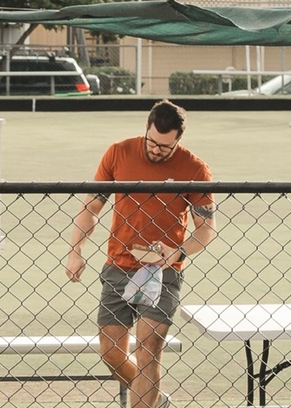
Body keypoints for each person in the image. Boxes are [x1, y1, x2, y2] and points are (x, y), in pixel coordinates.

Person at [64, 99, 217, 408]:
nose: (156, 150)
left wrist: (178, 251)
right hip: (118, 267)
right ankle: (155, 400)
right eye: (152, 142)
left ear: (178, 140)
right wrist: (75, 250)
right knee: (111, 353)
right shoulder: (119, 152)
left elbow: (206, 229)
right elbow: (92, 206)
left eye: (165, 147)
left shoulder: (194, 168)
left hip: (164, 272)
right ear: (146, 128)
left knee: (148, 349)